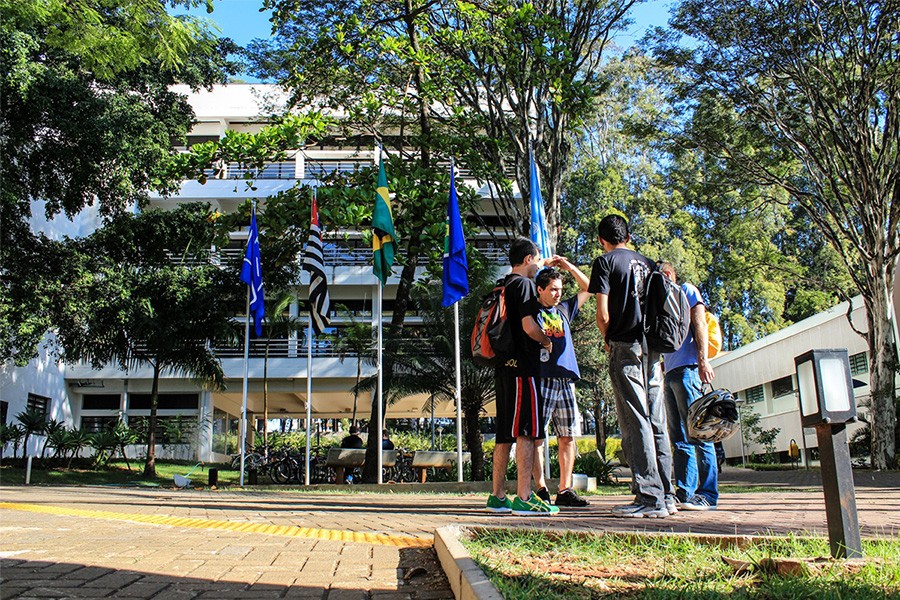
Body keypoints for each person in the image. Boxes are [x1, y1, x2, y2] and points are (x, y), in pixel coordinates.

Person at [588, 215, 673, 518]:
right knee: (657, 420)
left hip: (625, 345)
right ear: (628, 235)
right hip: (653, 348)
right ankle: (667, 494)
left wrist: (608, 338)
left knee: (635, 420)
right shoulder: (649, 263)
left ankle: (649, 498)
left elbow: (602, 313)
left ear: (602, 239)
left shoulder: (605, 262)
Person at [486, 237, 559, 516]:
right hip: (522, 369)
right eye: (538, 260)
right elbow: (529, 326)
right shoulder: (525, 285)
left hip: (503, 366)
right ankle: (525, 497)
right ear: (528, 259)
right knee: (526, 432)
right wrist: (545, 342)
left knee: (504, 434)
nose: (539, 266)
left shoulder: (502, 285)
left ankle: (498, 496)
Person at [530, 258, 592, 507]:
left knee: (568, 436)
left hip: (566, 379)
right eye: (553, 290)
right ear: (540, 290)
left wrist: (569, 267)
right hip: (541, 377)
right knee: (537, 437)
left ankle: (565, 490)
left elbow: (589, 287)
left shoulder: (565, 309)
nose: (557, 295)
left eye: (560, 290)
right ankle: (540, 488)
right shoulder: (531, 311)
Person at [659, 262, 719, 511]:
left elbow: (700, 324)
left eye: (661, 277)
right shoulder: (663, 302)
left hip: (689, 370)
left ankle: (708, 494)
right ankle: (685, 491)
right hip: (671, 372)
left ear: (670, 274)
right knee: (679, 438)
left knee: (700, 433)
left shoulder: (686, 290)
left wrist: (703, 361)